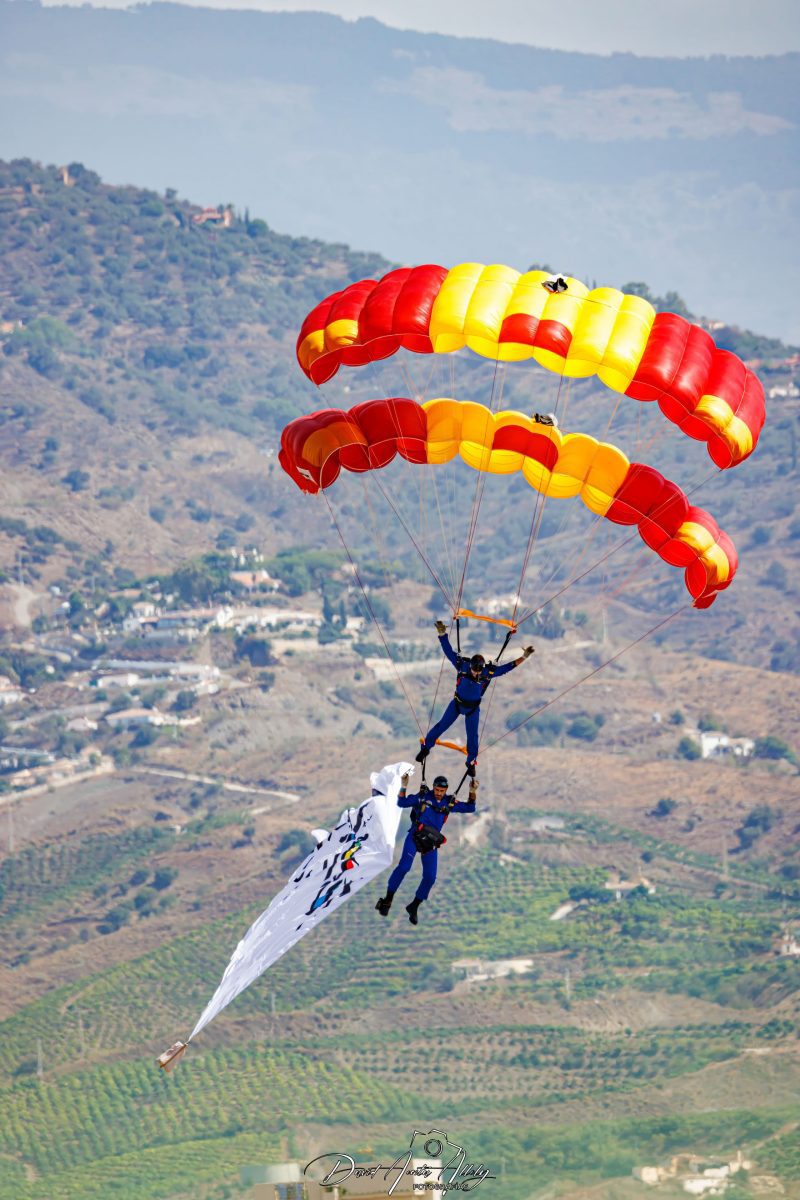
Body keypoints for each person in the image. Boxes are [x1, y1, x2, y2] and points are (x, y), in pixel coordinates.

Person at [416, 622, 534, 775]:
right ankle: (426, 748)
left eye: (478, 672)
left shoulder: (487, 673)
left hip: (472, 709)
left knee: (472, 737)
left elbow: (507, 668)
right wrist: (442, 634)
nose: (476, 674)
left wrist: (524, 657)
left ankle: (471, 762)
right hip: (457, 704)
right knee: (441, 726)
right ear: (470, 666)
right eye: (474, 670)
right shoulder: (462, 666)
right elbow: (449, 652)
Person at [375, 774, 477, 924]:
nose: (439, 793)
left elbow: (470, 807)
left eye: (442, 791)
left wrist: (472, 791)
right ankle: (388, 899)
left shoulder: (448, 803)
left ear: (446, 790)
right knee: (404, 867)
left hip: (430, 842)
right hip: (415, 836)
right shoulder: (423, 797)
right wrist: (404, 786)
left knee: (430, 877)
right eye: (437, 790)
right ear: (433, 787)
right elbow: (402, 802)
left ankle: (414, 906)